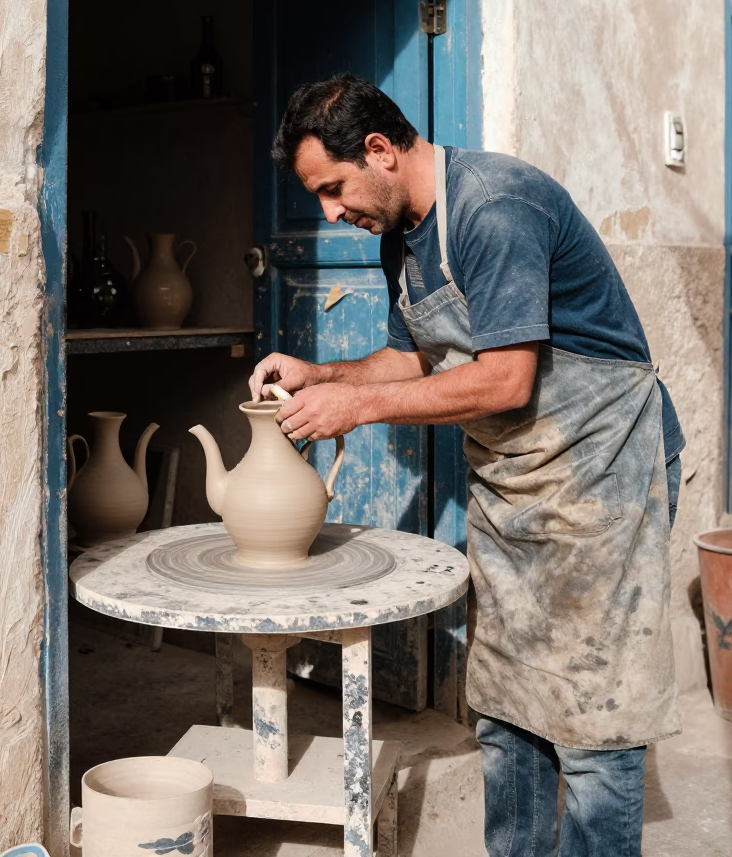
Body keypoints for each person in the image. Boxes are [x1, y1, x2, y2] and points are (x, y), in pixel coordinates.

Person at [249, 72, 683, 857]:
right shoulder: (402, 237)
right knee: (508, 706)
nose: (329, 213)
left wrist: (356, 409)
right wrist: (322, 375)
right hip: (516, 485)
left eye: (334, 187)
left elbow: (507, 379)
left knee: (592, 719)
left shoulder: (494, 206)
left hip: (602, 474)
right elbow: (408, 360)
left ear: (379, 150)